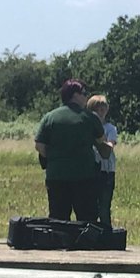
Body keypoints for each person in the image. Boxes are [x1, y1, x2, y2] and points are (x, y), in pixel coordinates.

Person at [33, 80, 110, 223]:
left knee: (58, 220)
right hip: (84, 176)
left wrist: (56, 158)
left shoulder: (50, 117)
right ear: (75, 95)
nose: (86, 97)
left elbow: (39, 146)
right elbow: (103, 143)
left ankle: (60, 244)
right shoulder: (89, 117)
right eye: (84, 93)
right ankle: (84, 245)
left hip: (56, 176)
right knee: (87, 219)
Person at [86, 94, 119, 230]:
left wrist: (99, 133)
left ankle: (106, 234)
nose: (101, 112)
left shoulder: (111, 128)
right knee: (90, 205)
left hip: (106, 170)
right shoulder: (86, 126)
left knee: (105, 207)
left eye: (103, 109)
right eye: (97, 109)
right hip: (91, 169)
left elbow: (110, 146)